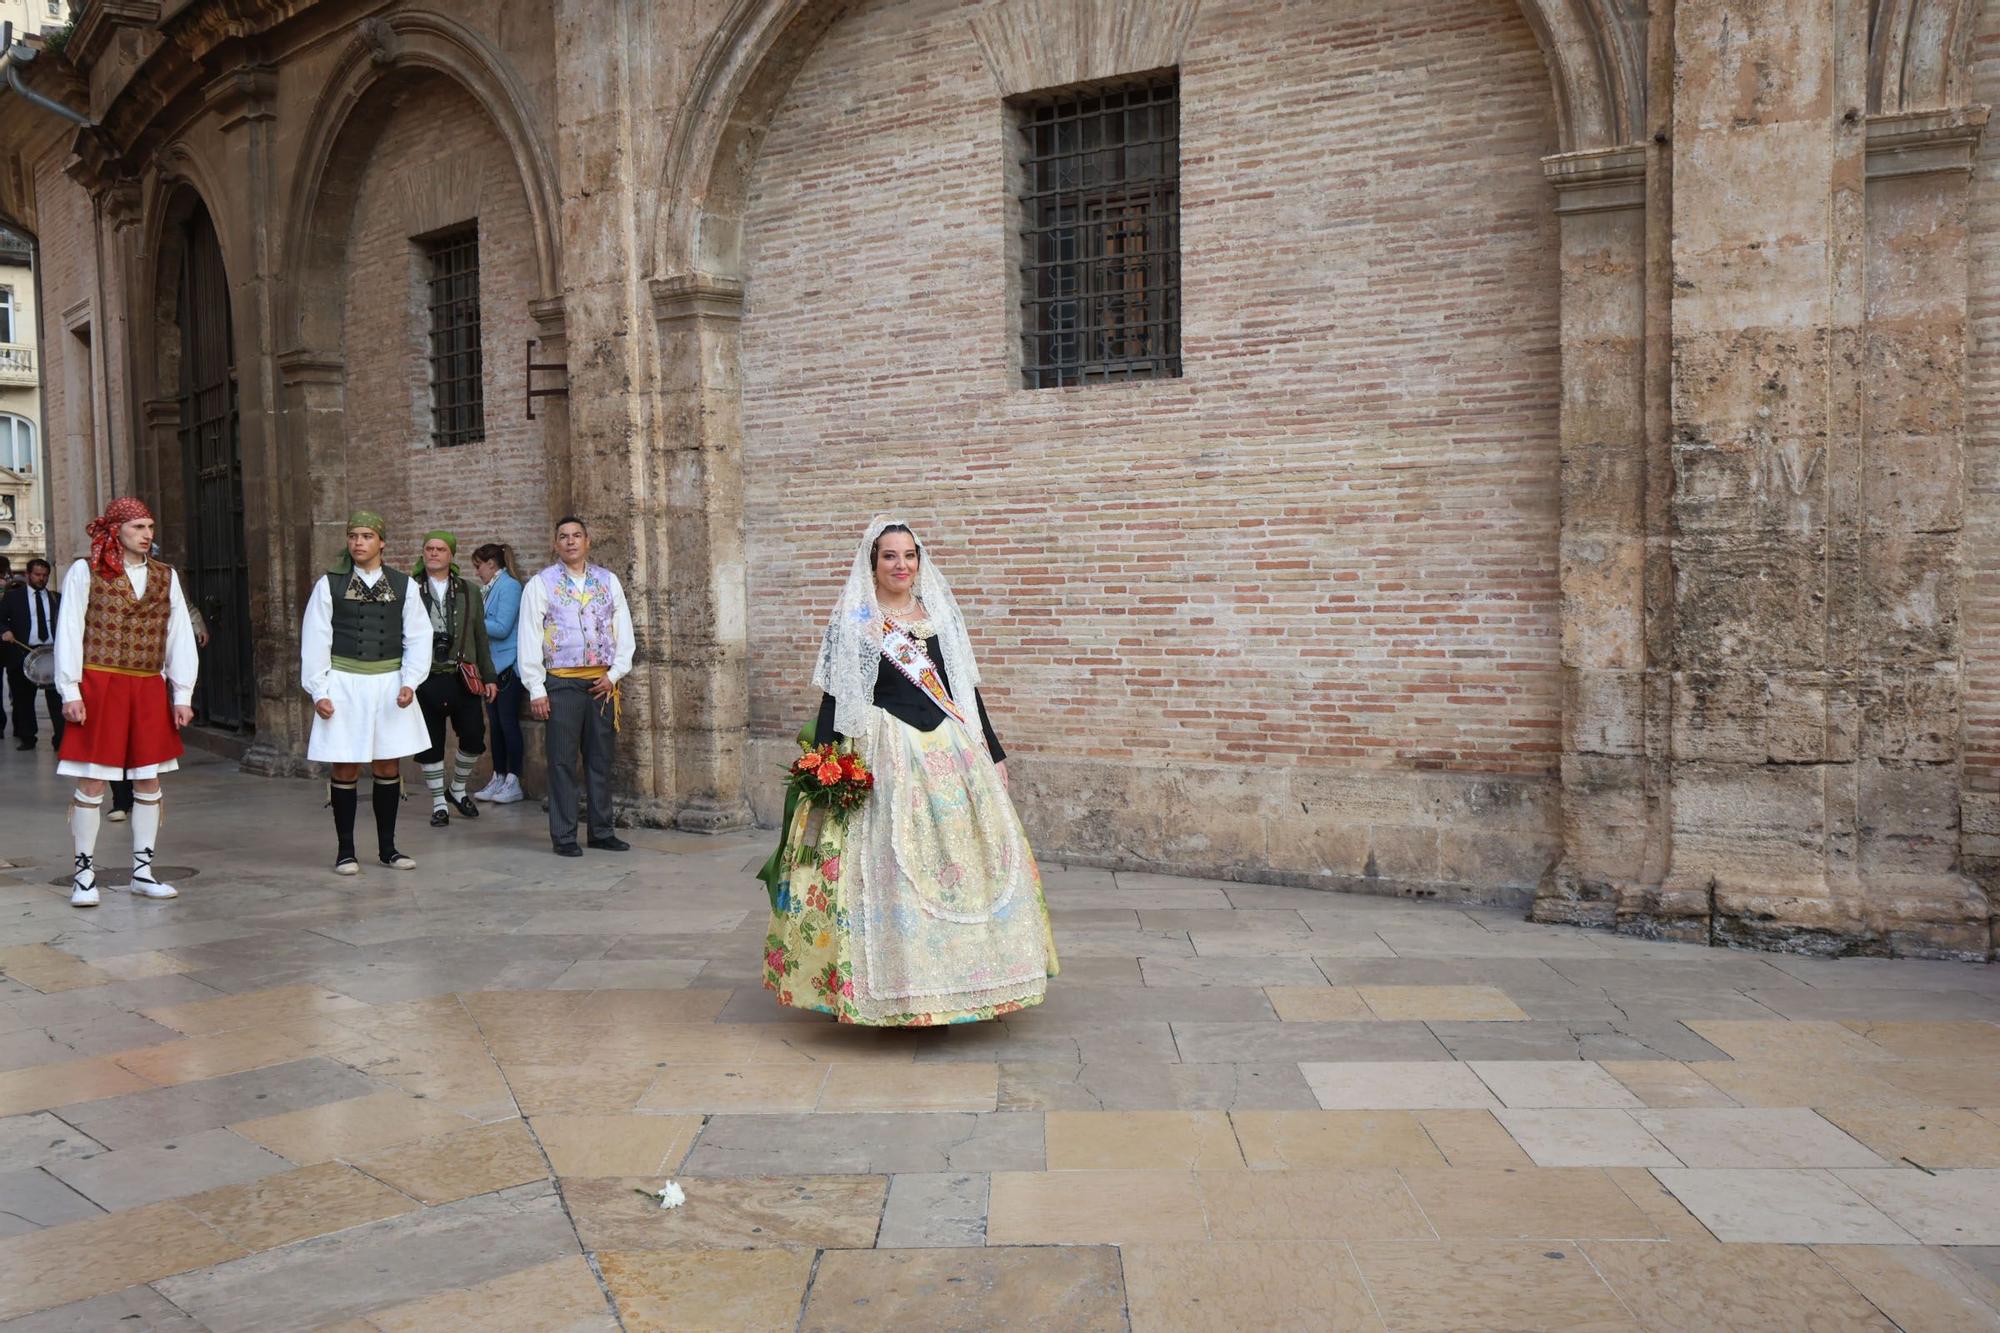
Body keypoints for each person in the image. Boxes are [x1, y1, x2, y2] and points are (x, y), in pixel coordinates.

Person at [759, 517, 1056, 1025]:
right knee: (885, 866)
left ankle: (962, 980)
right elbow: (835, 695)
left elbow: (964, 688)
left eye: (909, 555)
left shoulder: (936, 614)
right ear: (872, 564)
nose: (901, 565)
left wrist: (994, 751)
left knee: (963, 860)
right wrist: (827, 761)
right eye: (890, 556)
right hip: (882, 748)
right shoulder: (856, 620)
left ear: (920, 561)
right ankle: (892, 986)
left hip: (947, 746)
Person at [52, 499, 199, 907]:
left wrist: (182, 693)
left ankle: (143, 872)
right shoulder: (86, 570)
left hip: (149, 686)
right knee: (93, 779)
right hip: (100, 684)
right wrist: (71, 690)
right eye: (138, 526)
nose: (147, 533)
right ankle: (84, 875)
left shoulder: (165, 576)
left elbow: (179, 635)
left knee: (149, 780)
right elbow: (69, 629)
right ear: (116, 530)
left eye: (150, 526)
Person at [301, 511, 430, 875]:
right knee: (344, 764)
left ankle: (388, 849)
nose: (358, 542)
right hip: (344, 683)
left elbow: (419, 637)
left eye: (367, 536)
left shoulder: (404, 585)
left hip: (389, 684)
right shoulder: (329, 585)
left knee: (388, 763)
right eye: (353, 536)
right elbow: (315, 639)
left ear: (382, 542)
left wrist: (410, 682)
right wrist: (318, 690)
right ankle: (346, 851)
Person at [518, 516, 633, 857]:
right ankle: (565, 835)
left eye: (576, 536)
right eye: (563, 537)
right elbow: (529, 636)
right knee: (562, 761)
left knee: (600, 759)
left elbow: (622, 630)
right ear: (556, 544)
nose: (570, 541)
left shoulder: (607, 581)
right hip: (562, 684)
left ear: (587, 541)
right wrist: (536, 688)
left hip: (601, 684)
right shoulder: (541, 584)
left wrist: (614, 674)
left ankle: (601, 831)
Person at [412, 531, 497, 826]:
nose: (434, 553)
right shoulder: (411, 589)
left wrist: (490, 676)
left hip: (463, 675)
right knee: (431, 743)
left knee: (474, 737)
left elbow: (480, 636)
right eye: (429, 548)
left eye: (440, 549)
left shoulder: (469, 590)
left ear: (451, 555)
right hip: (425, 677)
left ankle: (457, 789)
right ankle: (439, 802)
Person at [471, 543, 525, 804]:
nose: (477, 572)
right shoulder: (490, 589)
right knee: (496, 727)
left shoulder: (509, 587)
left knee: (508, 724)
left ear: (491, 564)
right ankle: (499, 776)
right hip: (491, 669)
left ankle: (514, 780)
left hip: (508, 668)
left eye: (478, 566)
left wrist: (472, 620)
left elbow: (502, 627)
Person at [1, 557, 63, 750]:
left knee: (56, 699)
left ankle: (60, 739)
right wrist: (5, 630)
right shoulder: (13, 597)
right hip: (23, 652)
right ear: (28, 575)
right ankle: (28, 738)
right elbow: (0, 619)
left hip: (52, 653)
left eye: (45, 575)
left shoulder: (56, 598)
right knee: (24, 700)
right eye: (37, 575)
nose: (41, 579)